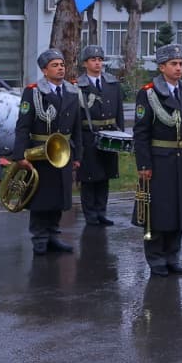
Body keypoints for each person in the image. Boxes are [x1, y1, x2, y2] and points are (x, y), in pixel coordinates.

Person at [4, 48, 84, 256]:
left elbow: (77, 126)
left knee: (59, 196)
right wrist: (20, 155)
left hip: (64, 152)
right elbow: (23, 126)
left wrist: (78, 156)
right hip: (40, 152)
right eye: (54, 65)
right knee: (41, 196)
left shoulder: (72, 91)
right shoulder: (33, 92)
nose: (60, 69)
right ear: (44, 70)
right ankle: (39, 237)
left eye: (62, 65)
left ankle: (54, 234)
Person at [133, 44, 182, 275]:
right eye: (173, 64)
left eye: (181, 64)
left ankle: (173, 256)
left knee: (179, 209)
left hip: (181, 160)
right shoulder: (149, 93)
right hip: (159, 159)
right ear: (162, 67)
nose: (179, 68)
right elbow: (141, 133)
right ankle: (156, 259)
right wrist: (144, 164)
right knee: (158, 210)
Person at [73, 44, 123, 227]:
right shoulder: (78, 86)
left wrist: (120, 134)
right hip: (88, 136)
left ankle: (101, 211)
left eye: (100, 60)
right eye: (93, 60)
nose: (97, 63)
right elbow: (75, 118)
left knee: (105, 175)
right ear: (85, 63)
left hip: (109, 133)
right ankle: (90, 214)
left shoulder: (112, 84)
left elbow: (119, 112)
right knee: (89, 177)